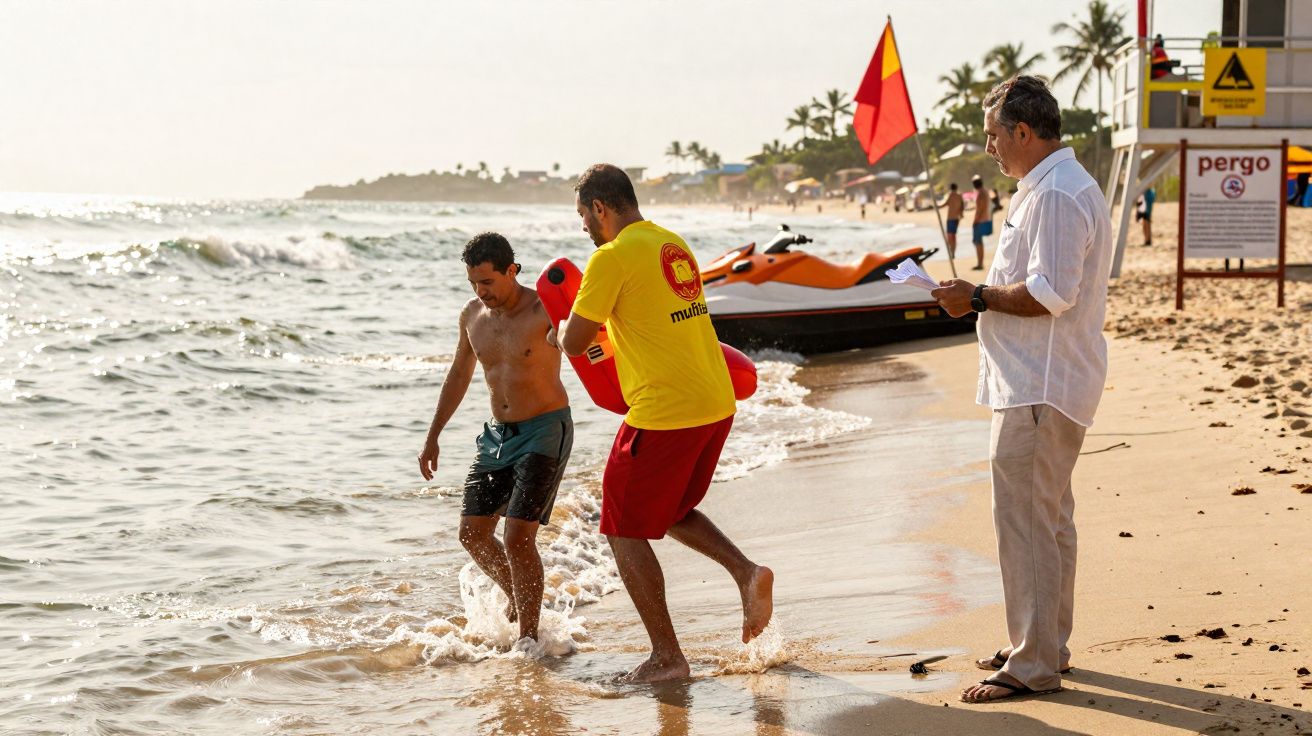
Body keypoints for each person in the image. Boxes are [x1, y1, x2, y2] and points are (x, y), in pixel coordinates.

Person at [930, 75, 1112, 704]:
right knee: (1049, 519)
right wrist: (979, 293)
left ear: (1024, 132)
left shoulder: (1058, 193)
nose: (990, 149)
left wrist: (975, 296)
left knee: (1029, 523)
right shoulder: (1050, 186)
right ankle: (1044, 644)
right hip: (1040, 382)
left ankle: (1035, 662)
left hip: (1041, 384)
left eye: (994, 136)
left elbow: (1052, 293)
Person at [555, 164, 773, 683]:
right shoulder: (672, 244)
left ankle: (667, 657)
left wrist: (564, 331)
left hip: (665, 410)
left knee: (621, 525)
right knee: (671, 507)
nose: (584, 225)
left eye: (584, 215)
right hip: (715, 401)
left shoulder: (609, 257)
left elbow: (573, 342)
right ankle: (746, 574)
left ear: (601, 209)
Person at [418, 232, 573, 644]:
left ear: (512, 270)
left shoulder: (544, 310)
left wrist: (566, 335)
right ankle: (517, 594)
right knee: (472, 533)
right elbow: (459, 375)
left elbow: (585, 342)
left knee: (518, 537)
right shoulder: (472, 315)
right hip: (498, 437)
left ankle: (528, 638)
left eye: (487, 281)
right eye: (473, 283)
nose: (480, 291)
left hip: (546, 429)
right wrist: (433, 435)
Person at [970, 175, 992, 270]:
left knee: (977, 242)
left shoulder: (980, 193)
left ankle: (980, 264)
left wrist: (975, 221)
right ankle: (980, 263)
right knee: (979, 242)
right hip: (986, 219)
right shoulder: (985, 191)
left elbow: (979, 209)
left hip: (980, 221)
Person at [944, 183, 964, 260]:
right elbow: (962, 205)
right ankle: (953, 252)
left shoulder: (950, 195)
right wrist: (961, 213)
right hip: (956, 218)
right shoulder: (959, 196)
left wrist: (937, 206)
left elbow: (945, 204)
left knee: (950, 236)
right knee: (954, 236)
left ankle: (952, 251)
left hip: (950, 219)